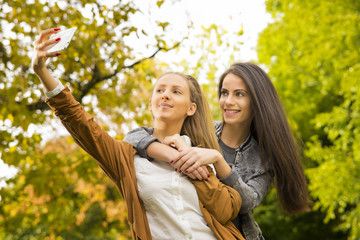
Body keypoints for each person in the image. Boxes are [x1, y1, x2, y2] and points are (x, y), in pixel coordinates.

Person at [31, 28, 245, 240]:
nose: (166, 95)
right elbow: (79, 122)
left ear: (191, 108)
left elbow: (225, 211)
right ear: (151, 104)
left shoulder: (200, 155)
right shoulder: (126, 158)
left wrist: (199, 162)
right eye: (160, 90)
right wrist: (42, 71)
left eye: (176, 91)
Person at [124, 62, 312, 240]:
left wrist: (218, 160)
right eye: (224, 93)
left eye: (239, 94)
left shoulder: (264, 157)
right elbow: (134, 138)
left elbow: (246, 203)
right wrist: (173, 155)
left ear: (257, 101)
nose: (228, 101)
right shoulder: (202, 132)